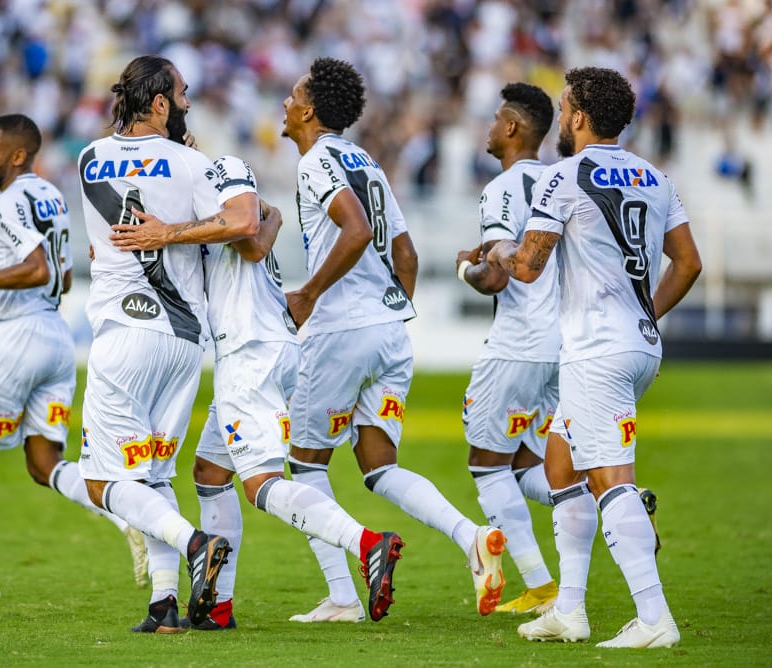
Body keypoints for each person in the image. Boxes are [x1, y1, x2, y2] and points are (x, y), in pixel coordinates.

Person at [111, 153, 405, 627]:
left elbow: (250, 226)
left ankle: (367, 543)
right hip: (256, 344)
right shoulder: (203, 201)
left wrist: (168, 232)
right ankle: (218, 610)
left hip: (252, 346)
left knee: (261, 485)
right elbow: (266, 218)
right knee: (210, 472)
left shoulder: (218, 170)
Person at [280, 57, 506, 622]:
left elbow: (355, 230)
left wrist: (309, 294)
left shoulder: (317, 162)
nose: (284, 104)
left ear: (308, 110)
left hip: (341, 331)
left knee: (305, 466)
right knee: (379, 466)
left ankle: (341, 598)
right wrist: (387, 312)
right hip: (388, 333)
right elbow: (406, 255)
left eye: (291, 96)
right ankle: (471, 536)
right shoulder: (367, 162)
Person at [486, 67, 702, 648]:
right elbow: (688, 263)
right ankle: (571, 611)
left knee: (609, 478)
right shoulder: (656, 177)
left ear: (580, 116)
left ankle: (655, 619)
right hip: (638, 344)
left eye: (563, 108)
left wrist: (501, 247)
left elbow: (528, 266)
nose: (560, 117)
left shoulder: (563, 176)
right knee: (561, 464)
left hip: (596, 351)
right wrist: (646, 315)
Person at [76, 55, 272, 633]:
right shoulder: (193, 162)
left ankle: (195, 543)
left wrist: (159, 231)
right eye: (182, 94)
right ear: (160, 103)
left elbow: (99, 245)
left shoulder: (89, 158)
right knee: (154, 477)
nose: (188, 102)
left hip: (124, 330)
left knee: (101, 480)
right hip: (184, 339)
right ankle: (164, 608)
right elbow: (245, 224)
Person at [0, 113, 148, 599]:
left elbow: (35, 269)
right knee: (44, 462)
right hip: (54, 338)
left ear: (17, 155)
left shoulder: (8, 202)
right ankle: (123, 516)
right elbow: (62, 277)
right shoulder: (49, 195)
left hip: (13, 339)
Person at [454, 82, 560, 615]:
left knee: (487, 467)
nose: (489, 128)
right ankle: (624, 501)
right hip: (564, 348)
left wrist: (463, 268)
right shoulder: (561, 181)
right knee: (524, 465)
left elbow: (494, 279)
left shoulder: (503, 189)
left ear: (513, 128)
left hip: (519, 342)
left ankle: (541, 586)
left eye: (496, 119)